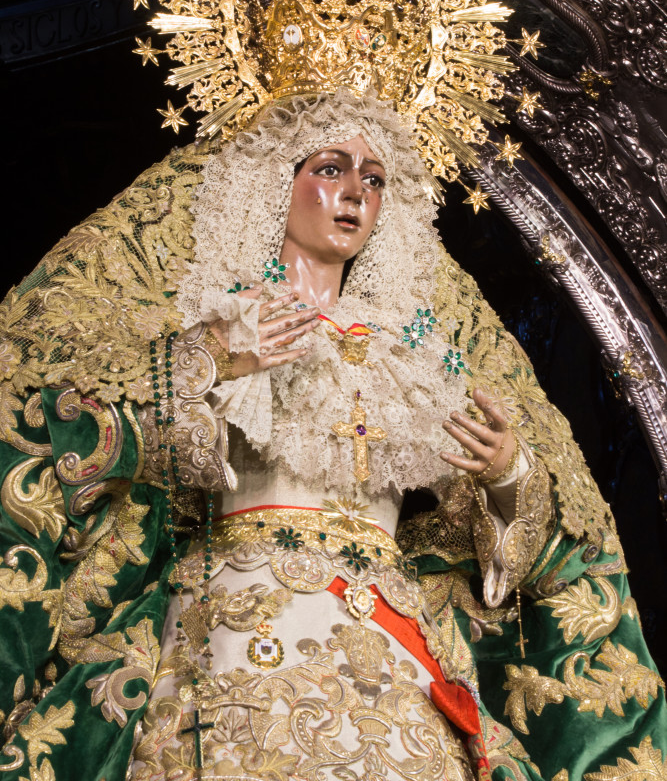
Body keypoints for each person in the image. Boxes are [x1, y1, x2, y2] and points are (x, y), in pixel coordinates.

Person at [0, 88, 665, 781]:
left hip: (394, 646)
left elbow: (484, 545)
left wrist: (505, 473)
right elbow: (80, 421)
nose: (353, 193)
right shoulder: (217, 313)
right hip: (241, 616)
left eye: (373, 179)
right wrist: (206, 361)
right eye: (328, 168)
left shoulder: (416, 353)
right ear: (273, 183)